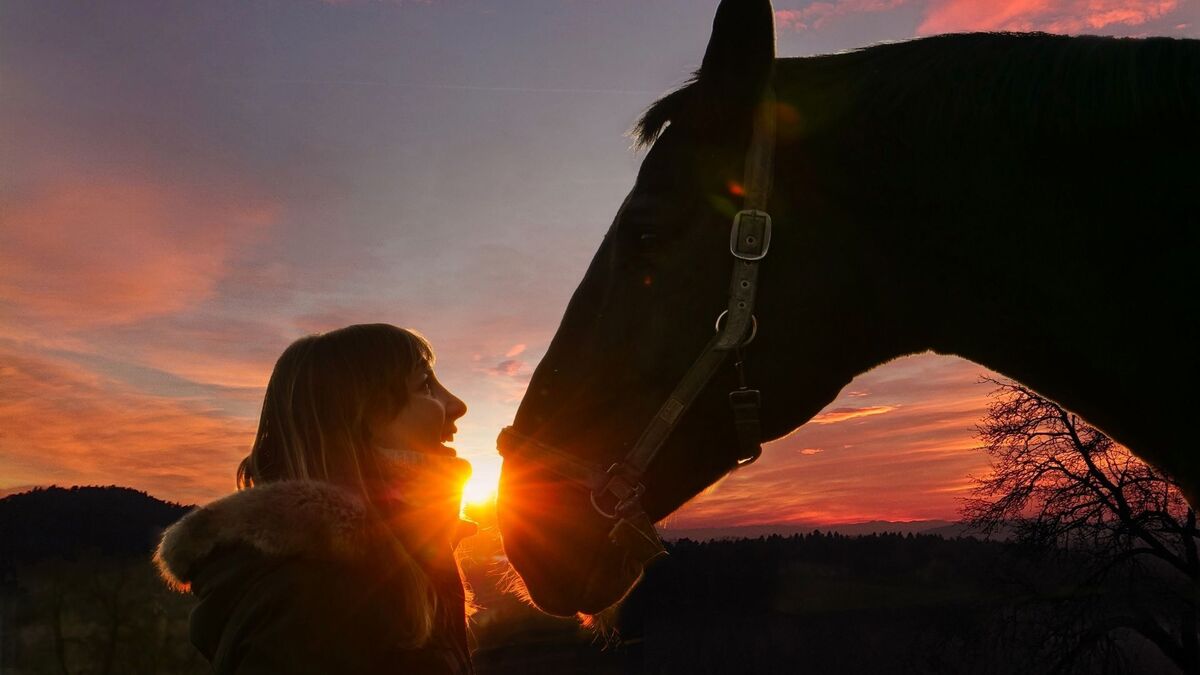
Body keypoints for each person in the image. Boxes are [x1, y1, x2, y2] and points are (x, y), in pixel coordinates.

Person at [155, 324, 476, 674]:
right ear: (360, 418)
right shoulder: (313, 596)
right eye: (425, 385)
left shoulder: (394, 562)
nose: (458, 405)